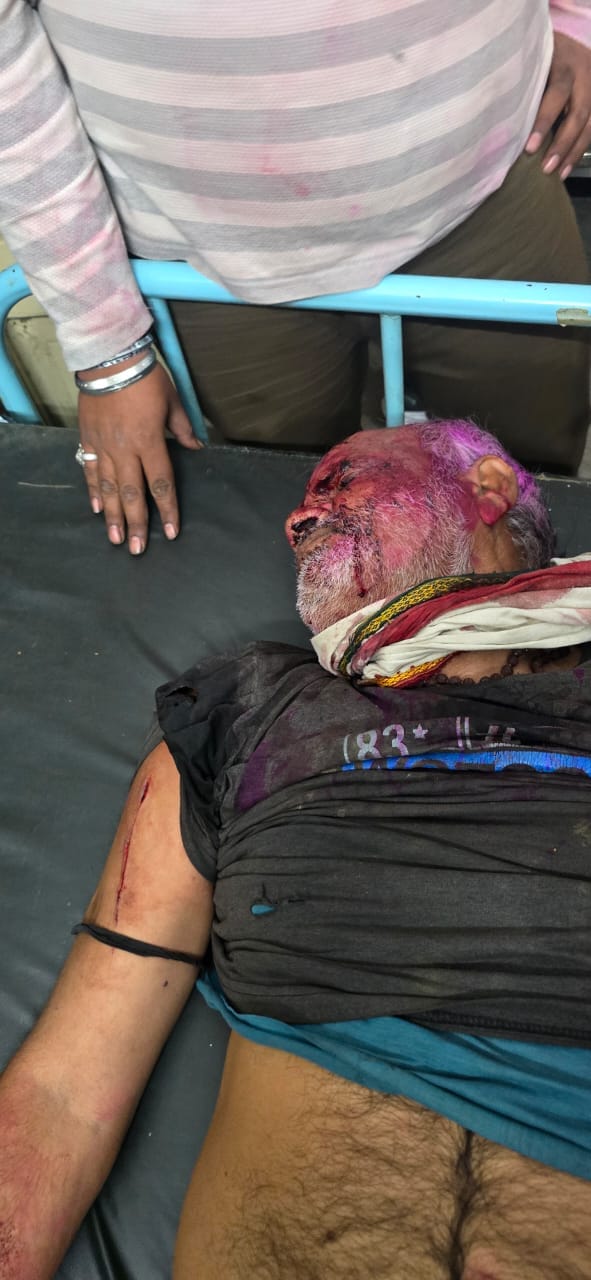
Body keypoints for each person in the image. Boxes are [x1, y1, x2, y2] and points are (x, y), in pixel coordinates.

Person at [2, 418, 591, 1279]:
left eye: (341, 479)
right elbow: (63, 1094)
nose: (297, 517)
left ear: (491, 489)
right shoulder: (247, 713)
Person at [0, 3, 590, 556]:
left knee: (540, 491)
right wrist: (107, 350)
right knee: (297, 515)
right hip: (205, 255)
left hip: (494, 170)